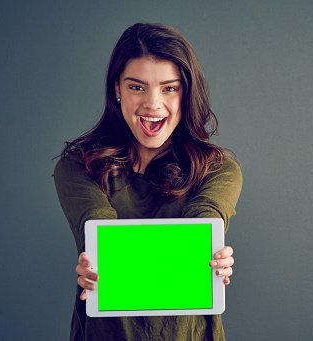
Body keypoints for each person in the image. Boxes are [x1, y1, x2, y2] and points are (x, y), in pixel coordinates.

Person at [54, 23, 242, 341]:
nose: (153, 104)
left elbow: (203, 225)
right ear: (117, 88)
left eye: (169, 88)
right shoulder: (78, 166)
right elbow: (100, 231)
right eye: (137, 87)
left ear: (187, 91)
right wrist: (100, 258)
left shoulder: (218, 169)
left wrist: (210, 254)